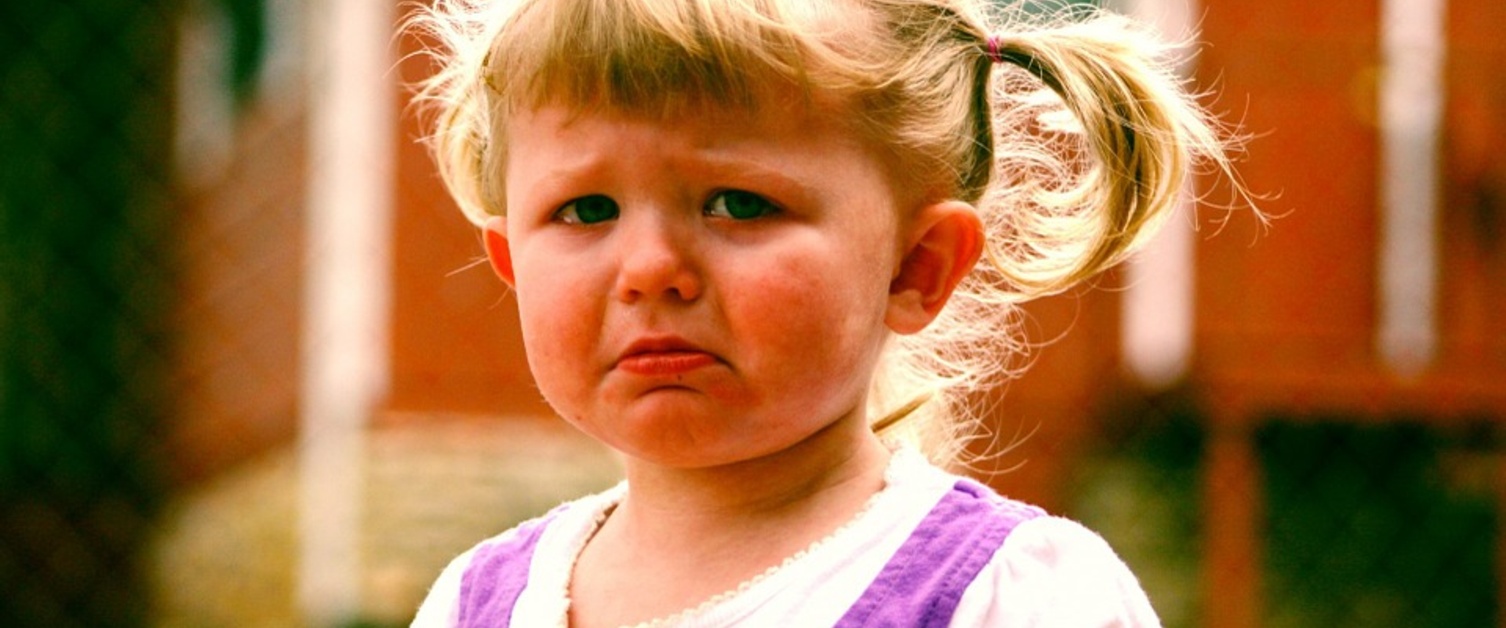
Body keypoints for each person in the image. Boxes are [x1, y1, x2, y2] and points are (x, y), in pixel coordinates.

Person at [406, 0, 1243, 625]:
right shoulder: (473, 605)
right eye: (586, 211)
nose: (650, 268)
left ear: (916, 267)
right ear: (510, 263)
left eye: (735, 202)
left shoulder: (1011, 598)